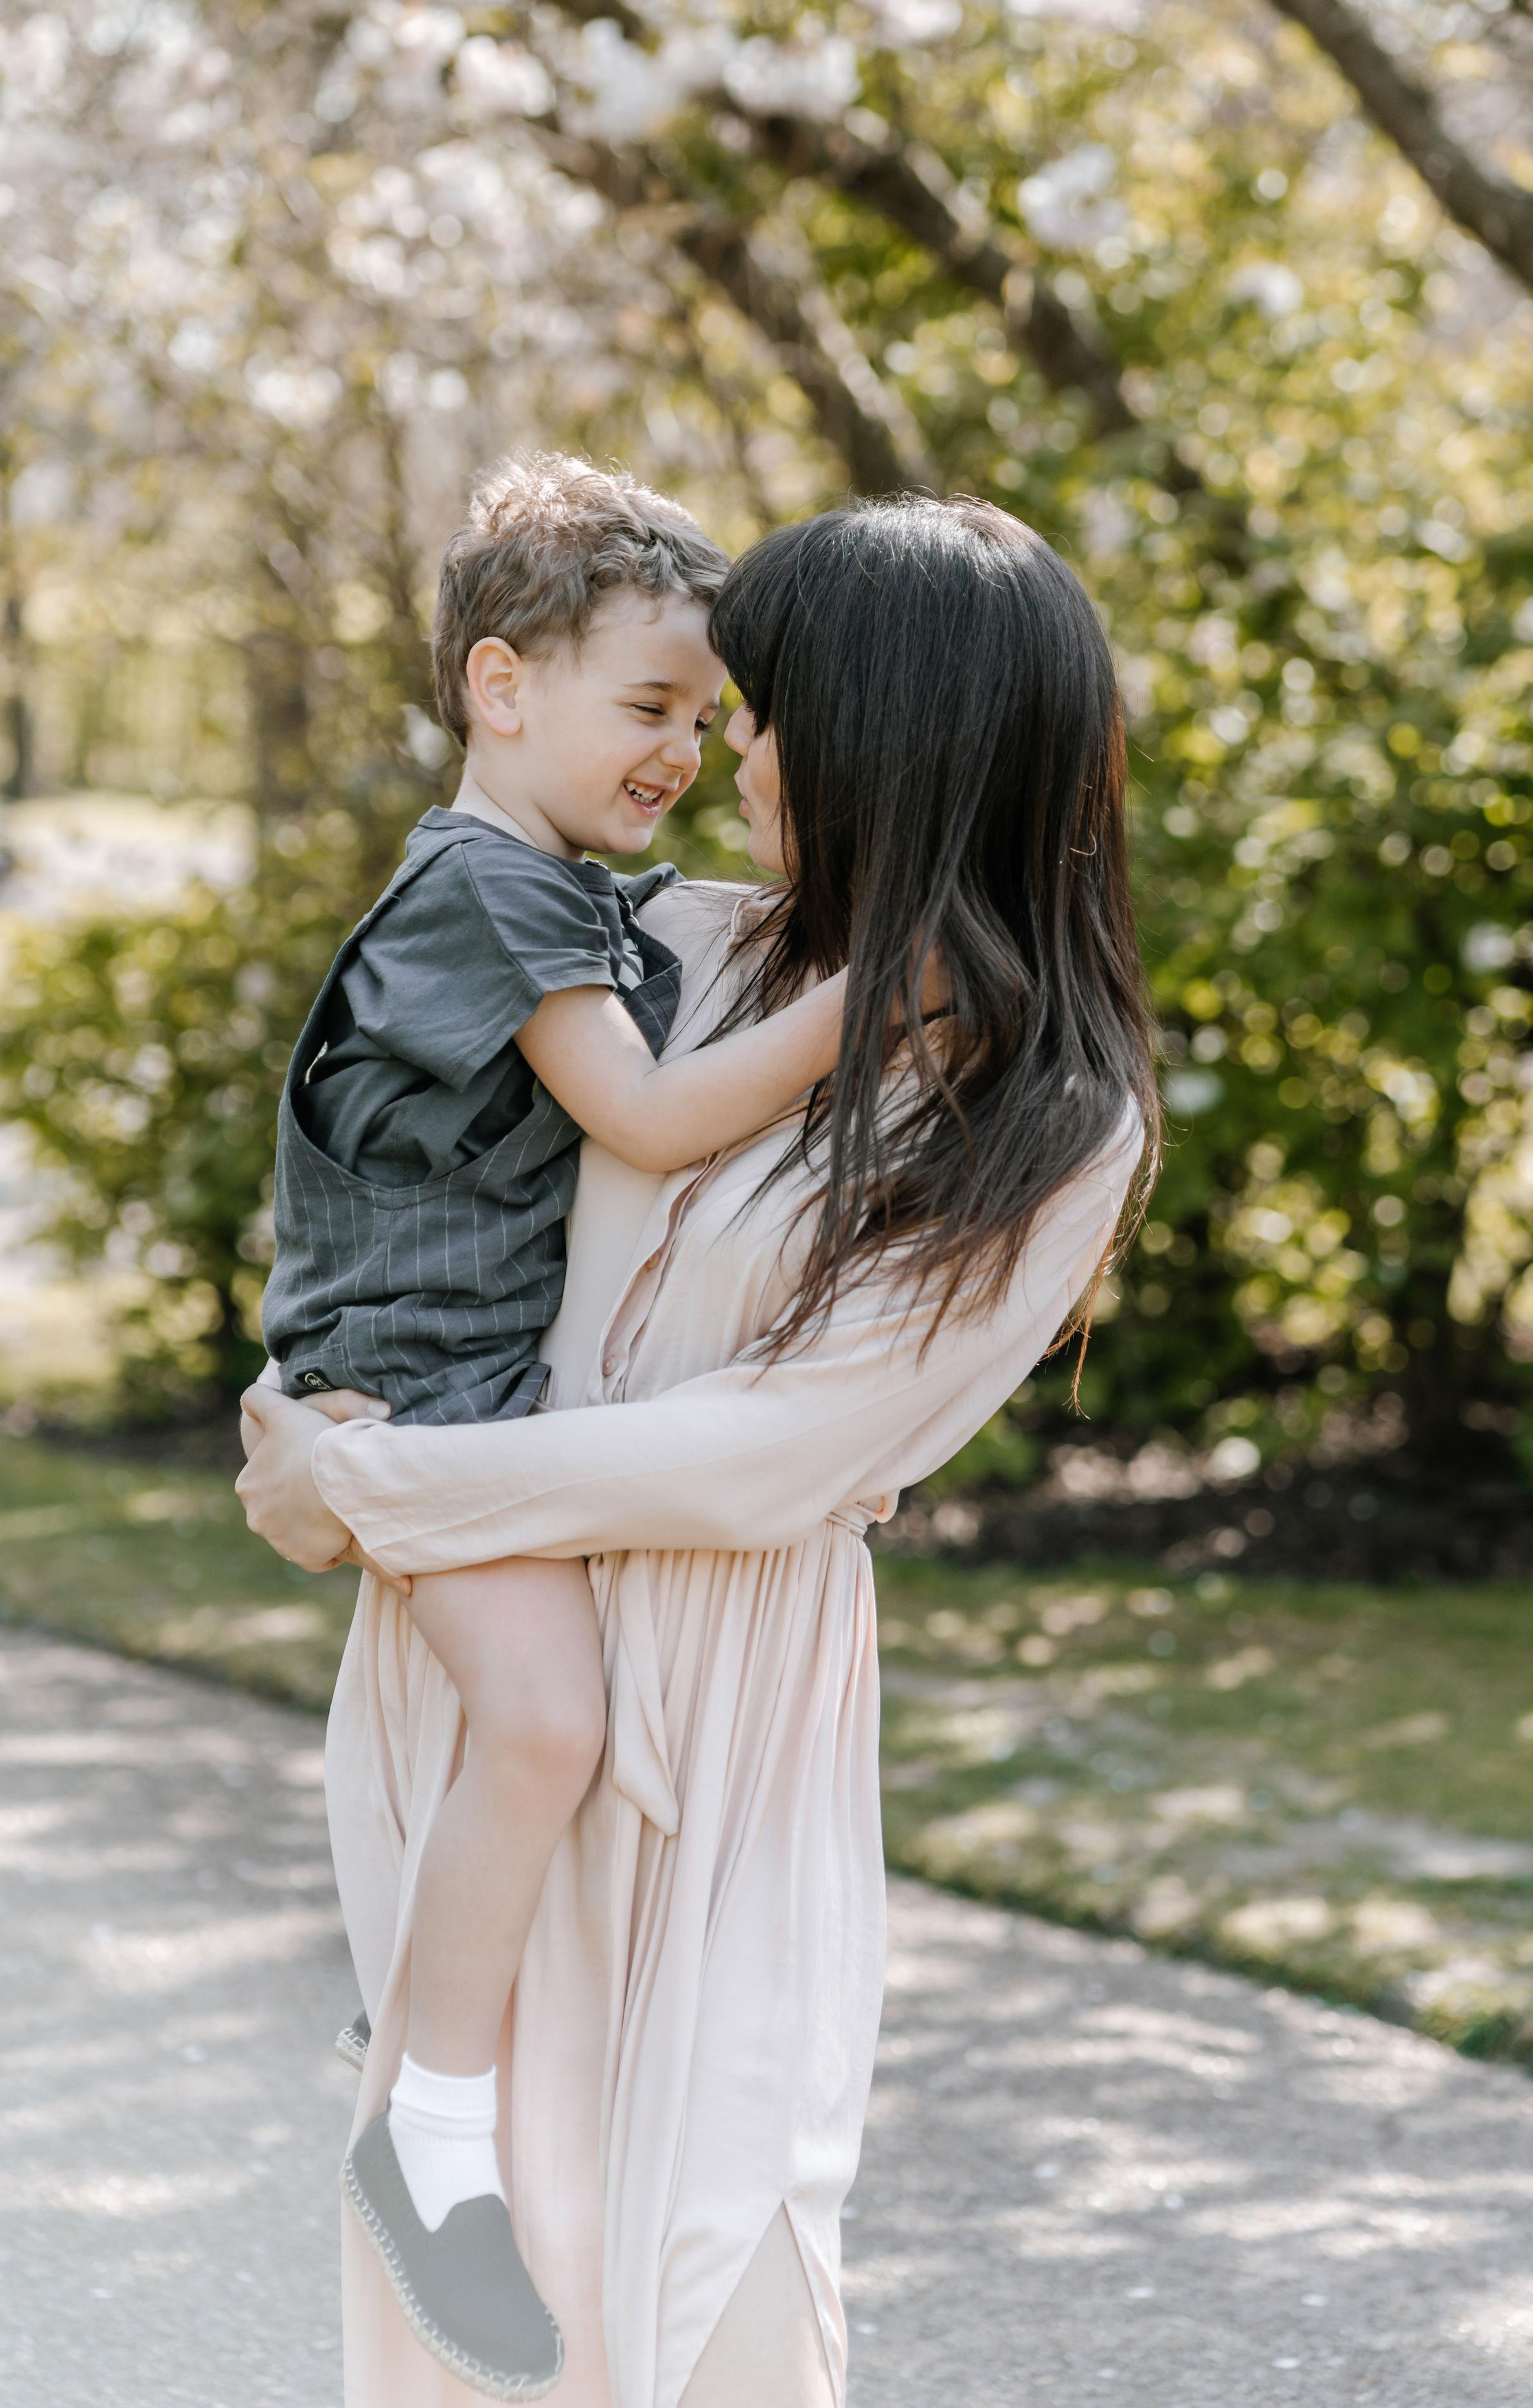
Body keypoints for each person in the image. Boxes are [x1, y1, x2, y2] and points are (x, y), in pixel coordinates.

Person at [237, 494, 1159, 2408]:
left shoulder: (1059, 1116)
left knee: (713, 2278)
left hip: (723, 1715)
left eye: (763, 709)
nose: (720, 747)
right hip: (490, 1653)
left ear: (883, 737)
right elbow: (393, 1189)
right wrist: (325, 1422)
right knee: (469, 2314)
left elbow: (765, 1455)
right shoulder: (663, 946)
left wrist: (363, 1491)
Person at [258, 455, 850, 2398]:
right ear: (502, 691)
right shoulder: (494, 886)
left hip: (448, 1372)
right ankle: (428, 2135)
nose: (687, 748)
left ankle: (441, 2102)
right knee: (547, 1719)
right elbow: (658, 1120)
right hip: (419, 1383)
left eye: (710, 719)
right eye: (650, 707)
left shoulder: (549, 880)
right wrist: (886, 991)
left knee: (554, 1726)